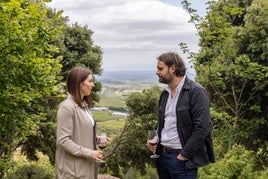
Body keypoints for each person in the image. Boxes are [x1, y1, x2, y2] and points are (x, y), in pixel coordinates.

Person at [146, 52, 215, 179]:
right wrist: (156, 138)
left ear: (173, 68)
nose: (157, 72)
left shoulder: (196, 92)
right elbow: (166, 123)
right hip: (162, 157)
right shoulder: (165, 94)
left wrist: (184, 155)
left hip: (182, 161)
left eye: (160, 68)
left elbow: (203, 127)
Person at [55, 66, 104, 179]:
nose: (92, 85)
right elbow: (63, 140)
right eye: (90, 81)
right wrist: (90, 153)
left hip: (86, 168)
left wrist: (96, 139)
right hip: (72, 172)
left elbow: (79, 133)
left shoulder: (84, 105)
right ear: (79, 83)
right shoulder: (67, 107)